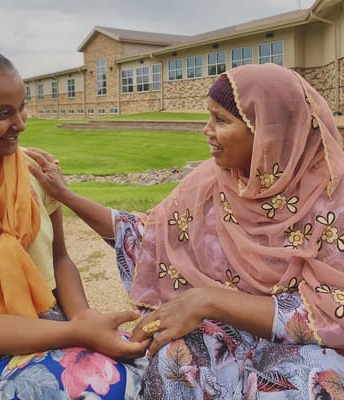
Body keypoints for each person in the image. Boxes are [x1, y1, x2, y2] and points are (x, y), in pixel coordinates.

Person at [26, 62, 344, 399]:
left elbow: (332, 308)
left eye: (221, 120)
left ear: (269, 131)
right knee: (172, 359)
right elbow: (148, 237)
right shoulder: (212, 182)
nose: (206, 130)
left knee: (315, 386)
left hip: (304, 344)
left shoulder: (331, 199)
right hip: (223, 333)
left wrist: (208, 300)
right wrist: (66, 196)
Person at [0, 12, 149, 400]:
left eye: (21, 107)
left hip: (46, 317)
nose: (21, 123)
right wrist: (76, 331)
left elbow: (60, 257)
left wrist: (83, 315)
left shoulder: (34, 171)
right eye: (2, 114)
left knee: (139, 373)